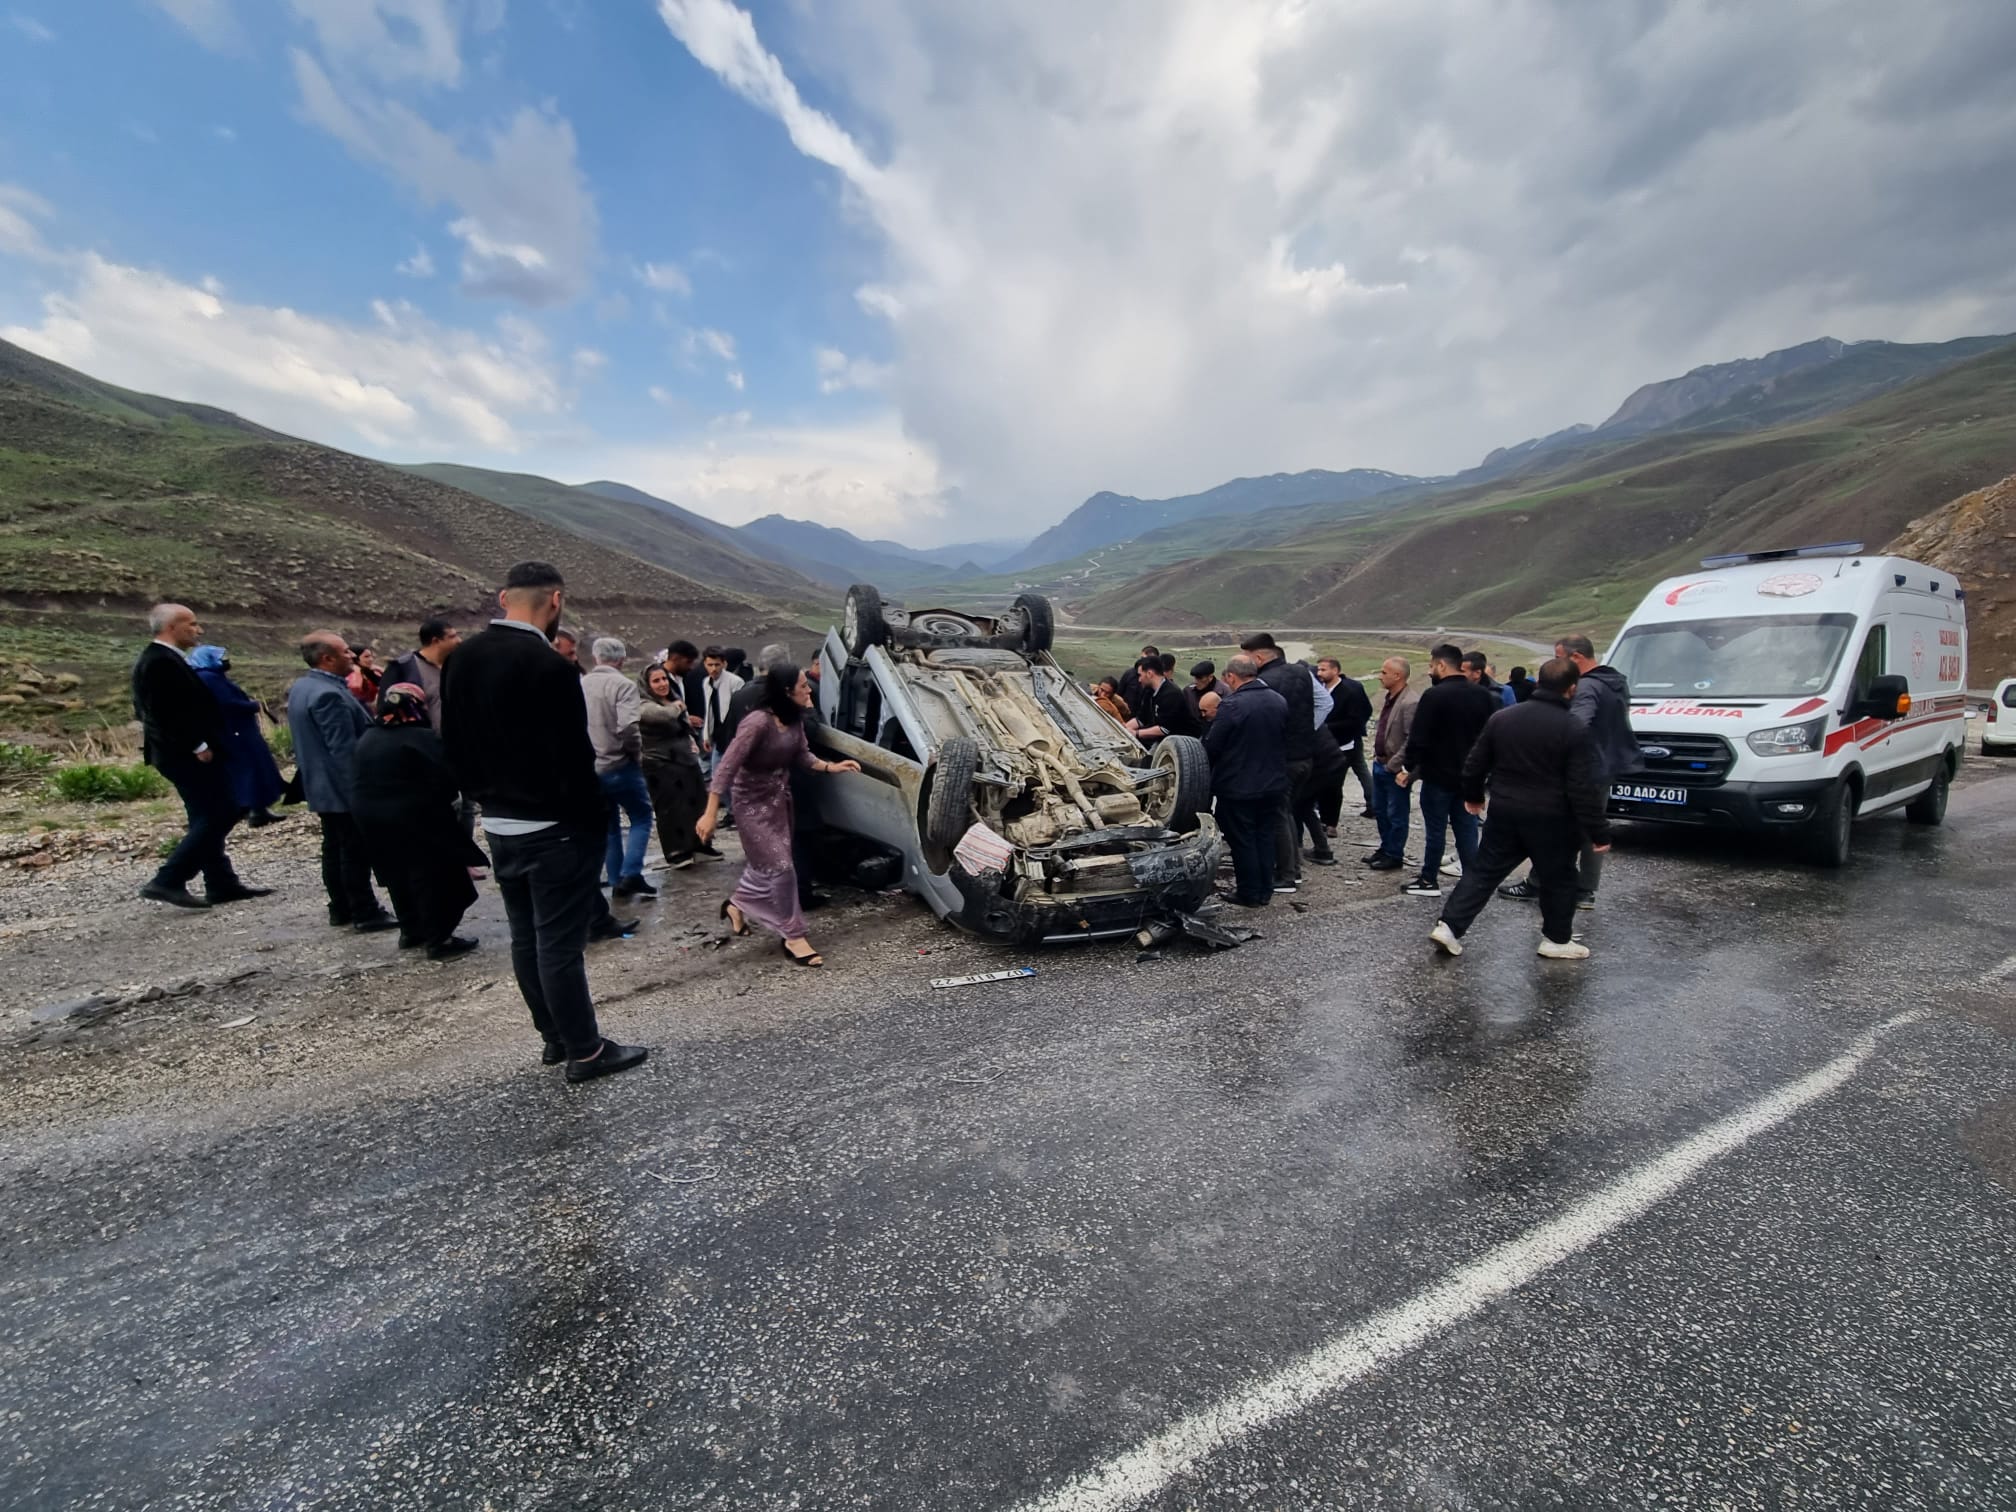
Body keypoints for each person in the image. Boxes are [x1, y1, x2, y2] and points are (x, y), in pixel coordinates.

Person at [441, 562, 646, 1083]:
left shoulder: (461, 658)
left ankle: (554, 1038)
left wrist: (484, 799)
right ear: (555, 600)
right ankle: (587, 1050)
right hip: (555, 827)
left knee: (525, 938)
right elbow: (573, 759)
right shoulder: (549, 666)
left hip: (500, 824)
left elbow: (456, 743)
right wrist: (591, 819)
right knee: (559, 944)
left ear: (504, 596)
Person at [1431, 659, 1611, 961]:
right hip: (1553, 819)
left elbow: (1474, 765)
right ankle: (1556, 940)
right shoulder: (1574, 729)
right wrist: (1598, 830)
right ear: (1572, 689)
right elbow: (1583, 787)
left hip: (1505, 811)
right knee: (1560, 879)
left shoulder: (1503, 718)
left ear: (1538, 682)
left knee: (1484, 872)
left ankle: (1449, 927)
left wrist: (1473, 797)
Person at [696, 663, 861, 967]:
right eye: (803, 686)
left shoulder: (794, 720)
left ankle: (736, 905)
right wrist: (709, 814)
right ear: (786, 691)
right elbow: (726, 768)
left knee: (768, 864)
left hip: (779, 801)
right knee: (783, 867)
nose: (808, 689)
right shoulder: (757, 723)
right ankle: (793, 935)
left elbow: (802, 755)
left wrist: (831, 767)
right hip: (750, 804)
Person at [131, 603, 268, 909]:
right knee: (223, 810)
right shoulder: (159, 662)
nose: (199, 630)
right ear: (172, 628)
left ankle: (220, 883)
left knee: (206, 815)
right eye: (191, 624)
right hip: (185, 755)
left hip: (182, 752)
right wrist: (197, 745)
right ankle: (169, 879)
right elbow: (160, 712)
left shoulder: (164, 660)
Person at [1499, 634, 1641, 910]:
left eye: (1558, 657)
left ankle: (1538, 884)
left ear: (1575, 658)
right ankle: (1585, 891)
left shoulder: (1585, 687)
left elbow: (1575, 725)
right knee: (1591, 829)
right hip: (1604, 766)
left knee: (1555, 828)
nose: (1556, 664)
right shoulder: (1614, 681)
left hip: (1581, 768)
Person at [351, 683, 484, 960]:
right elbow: (447, 779)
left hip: (371, 819)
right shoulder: (420, 738)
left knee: (398, 876)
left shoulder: (368, 737)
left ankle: (412, 930)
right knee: (435, 877)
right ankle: (440, 939)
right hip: (417, 820)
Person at [289, 632, 395, 933]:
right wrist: (361, 793)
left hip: (321, 784)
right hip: (341, 788)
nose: (352, 655)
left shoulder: (304, 686)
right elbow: (344, 750)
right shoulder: (328, 695)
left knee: (334, 848)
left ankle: (341, 907)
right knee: (354, 852)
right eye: (346, 652)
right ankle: (364, 911)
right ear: (328, 658)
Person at [1398, 644, 1498, 898]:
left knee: (1436, 830)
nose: (1430, 670)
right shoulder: (1483, 696)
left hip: (1437, 775)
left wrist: (1408, 767)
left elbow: (1419, 738)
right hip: (1469, 778)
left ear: (1441, 665)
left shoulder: (1434, 696)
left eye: (1432, 666)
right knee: (1466, 829)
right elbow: (1491, 737)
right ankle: (1473, 882)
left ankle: (1429, 879)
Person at [1203, 654, 1289, 906]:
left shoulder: (1232, 705)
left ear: (1231, 676)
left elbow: (1214, 746)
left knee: (1243, 840)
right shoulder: (1278, 700)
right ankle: (1265, 889)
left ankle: (1249, 892)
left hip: (1239, 786)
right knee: (1264, 836)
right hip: (1274, 783)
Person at [1241, 632, 1323, 886]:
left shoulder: (1265, 682)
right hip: (1306, 756)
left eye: (1247, 658)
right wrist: (1307, 731)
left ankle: (1287, 875)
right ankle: (1293, 868)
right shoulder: (1302, 673)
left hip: (1282, 759)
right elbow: (1325, 703)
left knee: (1277, 814)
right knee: (1288, 812)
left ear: (1259, 656)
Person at [583, 637, 657, 901]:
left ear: (595, 658)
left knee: (610, 826)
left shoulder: (582, 684)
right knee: (641, 816)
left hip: (592, 767)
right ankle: (632, 873)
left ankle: (616, 880)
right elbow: (628, 727)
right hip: (619, 764)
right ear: (622, 659)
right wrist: (635, 754)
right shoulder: (623, 685)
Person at [188, 646, 289, 828]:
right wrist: (251, 706)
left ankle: (255, 808)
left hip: (234, 730)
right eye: (220, 658)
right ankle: (255, 810)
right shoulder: (209, 678)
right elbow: (226, 704)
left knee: (247, 768)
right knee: (250, 768)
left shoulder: (207, 677)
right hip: (236, 731)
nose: (225, 661)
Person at [639, 660, 708, 869]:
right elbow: (662, 715)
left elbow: (684, 725)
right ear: (647, 685)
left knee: (695, 802)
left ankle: (700, 845)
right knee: (670, 809)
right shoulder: (644, 705)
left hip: (685, 760)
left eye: (664, 679)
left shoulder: (673, 699)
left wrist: (692, 742)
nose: (662, 684)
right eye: (656, 681)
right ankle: (676, 852)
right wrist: (677, 707)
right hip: (661, 764)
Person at [1366, 656, 1422, 872]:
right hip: (1380, 763)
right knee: (1380, 809)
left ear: (1397, 675)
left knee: (1396, 813)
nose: (1380, 677)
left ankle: (1394, 854)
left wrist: (1397, 765)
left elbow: (1411, 739)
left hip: (1394, 768)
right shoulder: (1390, 697)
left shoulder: (1410, 702)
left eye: (1384, 673)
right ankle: (1385, 847)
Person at [1316, 657, 1375, 826]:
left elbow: (1359, 715)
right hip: (1331, 742)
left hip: (1346, 742)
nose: (1320, 673)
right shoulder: (1321, 689)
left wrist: (1327, 727)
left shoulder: (1349, 690)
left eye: (1324, 670)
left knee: (1346, 775)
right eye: (1319, 670)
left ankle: (1371, 805)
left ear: (1336, 671)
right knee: (1358, 770)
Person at [382, 619, 462, 732]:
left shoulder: (458, 665)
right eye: (452, 636)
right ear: (436, 641)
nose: (459, 640)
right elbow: (386, 710)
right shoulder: (403, 668)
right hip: (423, 743)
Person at [1127, 657, 1201, 745]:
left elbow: (1164, 729)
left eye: (1140, 675)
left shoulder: (1172, 694)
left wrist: (1136, 733)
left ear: (1150, 674)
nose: (1139, 680)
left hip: (1184, 742)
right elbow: (1141, 718)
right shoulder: (1149, 690)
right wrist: (1125, 728)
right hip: (1165, 740)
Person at [1118, 644, 1159, 710]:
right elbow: (1119, 694)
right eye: (1142, 658)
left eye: (1146, 659)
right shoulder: (1130, 674)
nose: (1143, 662)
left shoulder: (1157, 681)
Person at [1185, 661, 1219, 726]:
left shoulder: (1225, 693)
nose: (1195, 681)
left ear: (1210, 677)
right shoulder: (1188, 691)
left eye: (1199, 678)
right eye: (1195, 678)